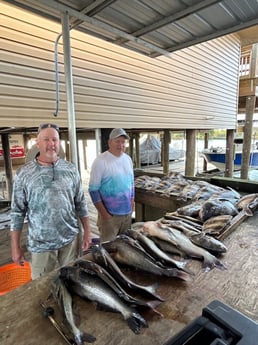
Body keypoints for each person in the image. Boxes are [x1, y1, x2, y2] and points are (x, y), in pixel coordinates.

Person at [10, 123, 92, 279]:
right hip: (41, 246)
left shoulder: (70, 169)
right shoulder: (24, 173)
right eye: (46, 139)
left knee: (72, 282)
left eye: (54, 139)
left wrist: (87, 232)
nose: (51, 144)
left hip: (70, 241)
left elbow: (80, 202)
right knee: (42, 291)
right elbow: (17, 213)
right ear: (37, 143)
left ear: (59, 142)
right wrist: (15, 247)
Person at [89, 128, 134, 243]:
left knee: (125, 246)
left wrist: (132, 203)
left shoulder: (128, 159)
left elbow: (131, 184)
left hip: (127, 214)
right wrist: (105, 215)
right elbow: (93, 190)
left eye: (123, 142)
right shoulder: (100, 161)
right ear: (109, 142)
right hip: (110, 216)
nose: (121, 145)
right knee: (108, 249)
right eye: (117, 141)